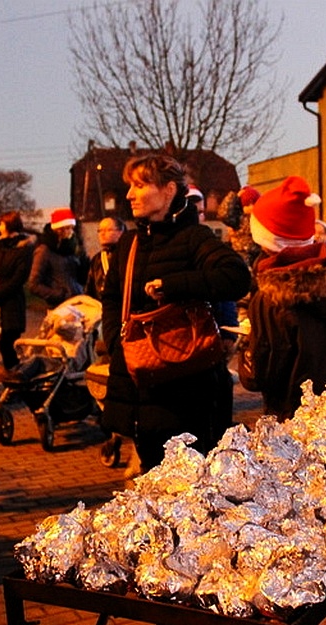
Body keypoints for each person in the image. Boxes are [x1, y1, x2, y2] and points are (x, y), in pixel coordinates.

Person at [100, 154, 251, 471]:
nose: (129, 195)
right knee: (151, 476)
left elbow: (236, 277)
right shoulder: (129, 244)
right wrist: (117, 342)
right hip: (140, 383)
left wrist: (174, 285)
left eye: (140, 186)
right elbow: (112, 298)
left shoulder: (195, 237)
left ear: (169, 190)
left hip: (189, 389)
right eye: (130, 186)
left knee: (192, 487)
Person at [242, 176, 326, 420]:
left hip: (297, 419)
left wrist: (247, 350)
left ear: (263, 237)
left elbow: (262, 375)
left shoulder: (272, 298)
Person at [0, 210, 34, 369]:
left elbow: (19, 277)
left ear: (10, 225)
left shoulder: (23, 249)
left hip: (11, 302)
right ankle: (0, 368)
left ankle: (14, 373)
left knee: (8, 343)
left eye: (2, 225)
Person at [28, 207, 85, 308]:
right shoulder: (44, 251)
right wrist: (59, 295)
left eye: (72, 228)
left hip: (78, 302)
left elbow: (77, 277)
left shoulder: (72, 249)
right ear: (58, 230)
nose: (71, 232)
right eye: (67, 228)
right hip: (59, 306)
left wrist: (84, 264)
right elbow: (34, 284)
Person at [85, 215, 127, 300]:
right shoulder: (97, 259)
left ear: (121, 232)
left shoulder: (127, 254)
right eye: (100, 230)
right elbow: (90, 290)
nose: (102, 234)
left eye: (108, 230)